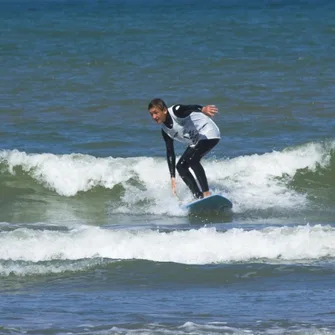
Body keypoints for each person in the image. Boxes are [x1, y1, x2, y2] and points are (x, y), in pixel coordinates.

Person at [148, 98, 221, 199]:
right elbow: (170, 152)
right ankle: (198, 196)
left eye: (156, 113)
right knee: (181, 166)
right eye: (151, 114)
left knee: (192, 160)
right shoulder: (165, 131)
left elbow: (189, 107)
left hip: (208, 132)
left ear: (164, 110)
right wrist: (172, 177)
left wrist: (202, 109)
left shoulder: (176, 111)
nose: (154, 117)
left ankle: (206, 193)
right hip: (196, 142)